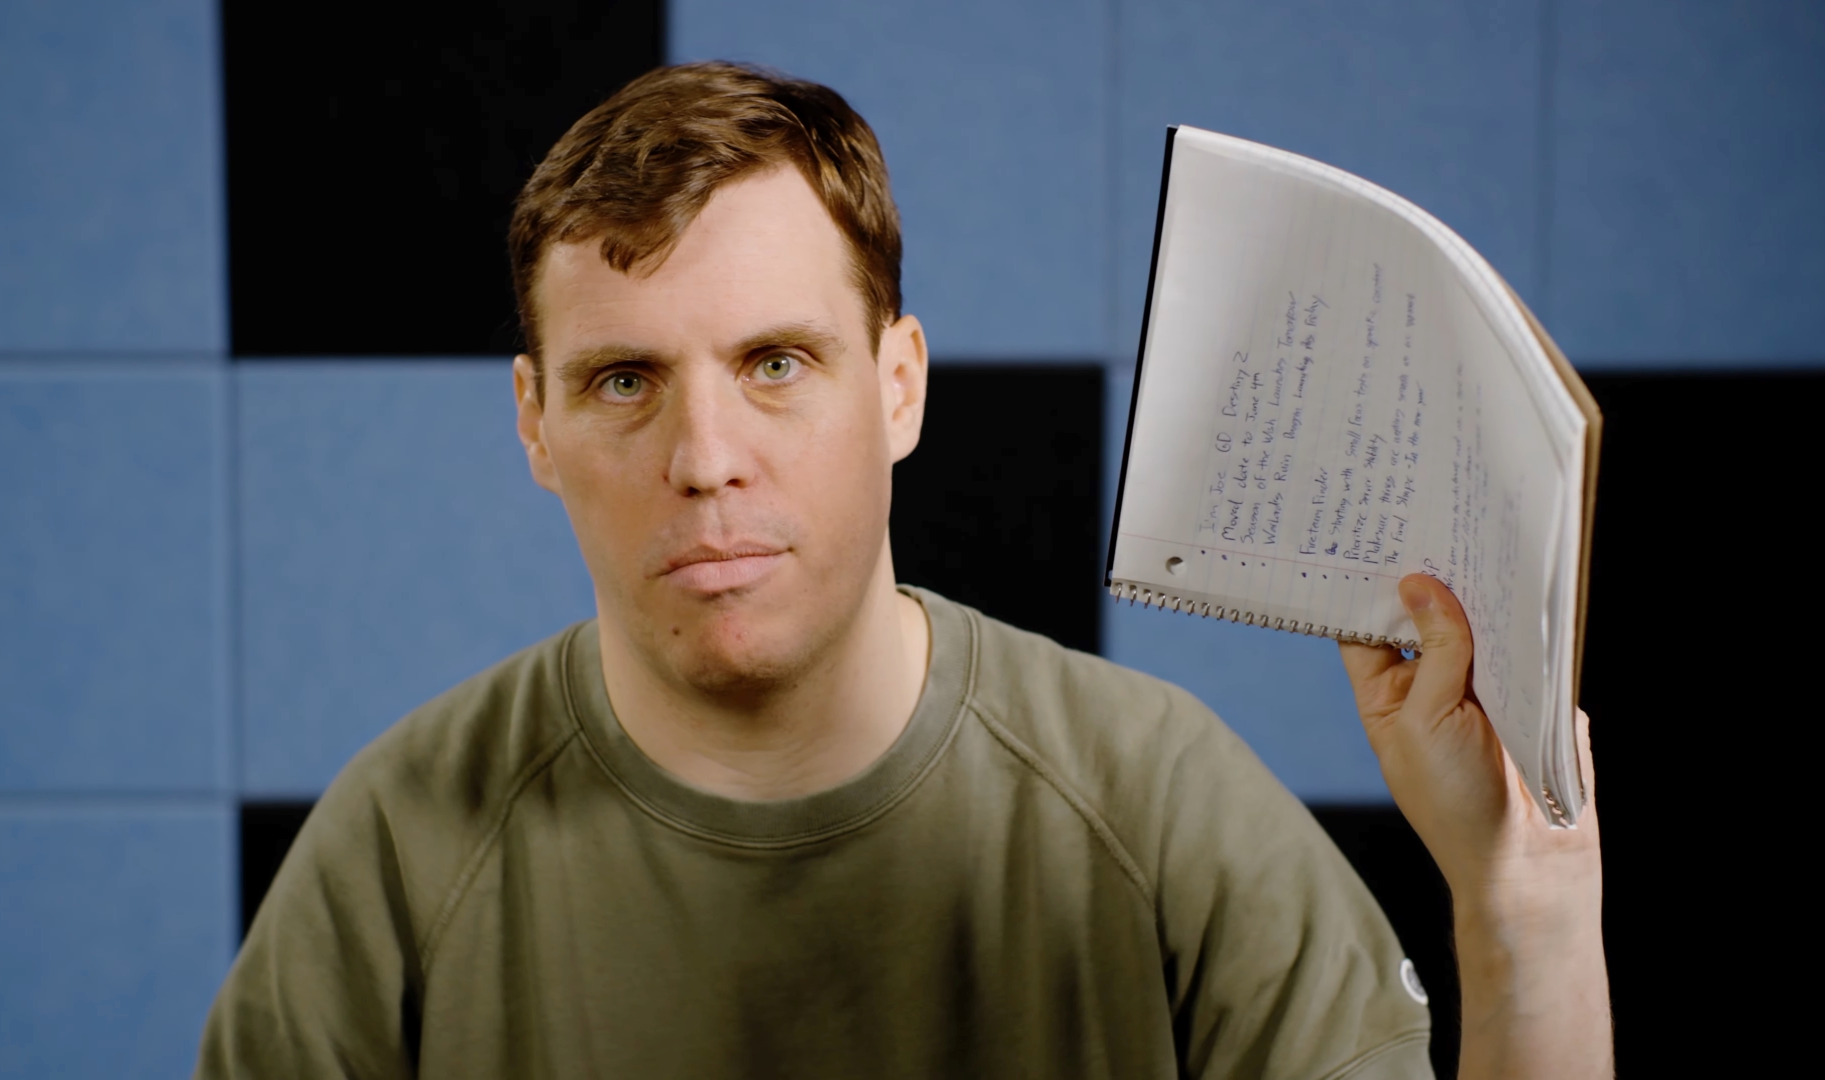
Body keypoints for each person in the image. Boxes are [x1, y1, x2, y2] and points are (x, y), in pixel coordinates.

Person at [197, 62, 1611, 1078]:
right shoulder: (397, 854)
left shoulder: (1164, 809)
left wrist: (1524, 911)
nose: (705, 459)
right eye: (625, 380)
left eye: (776, 363)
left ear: (900, 385)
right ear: (535, 425)